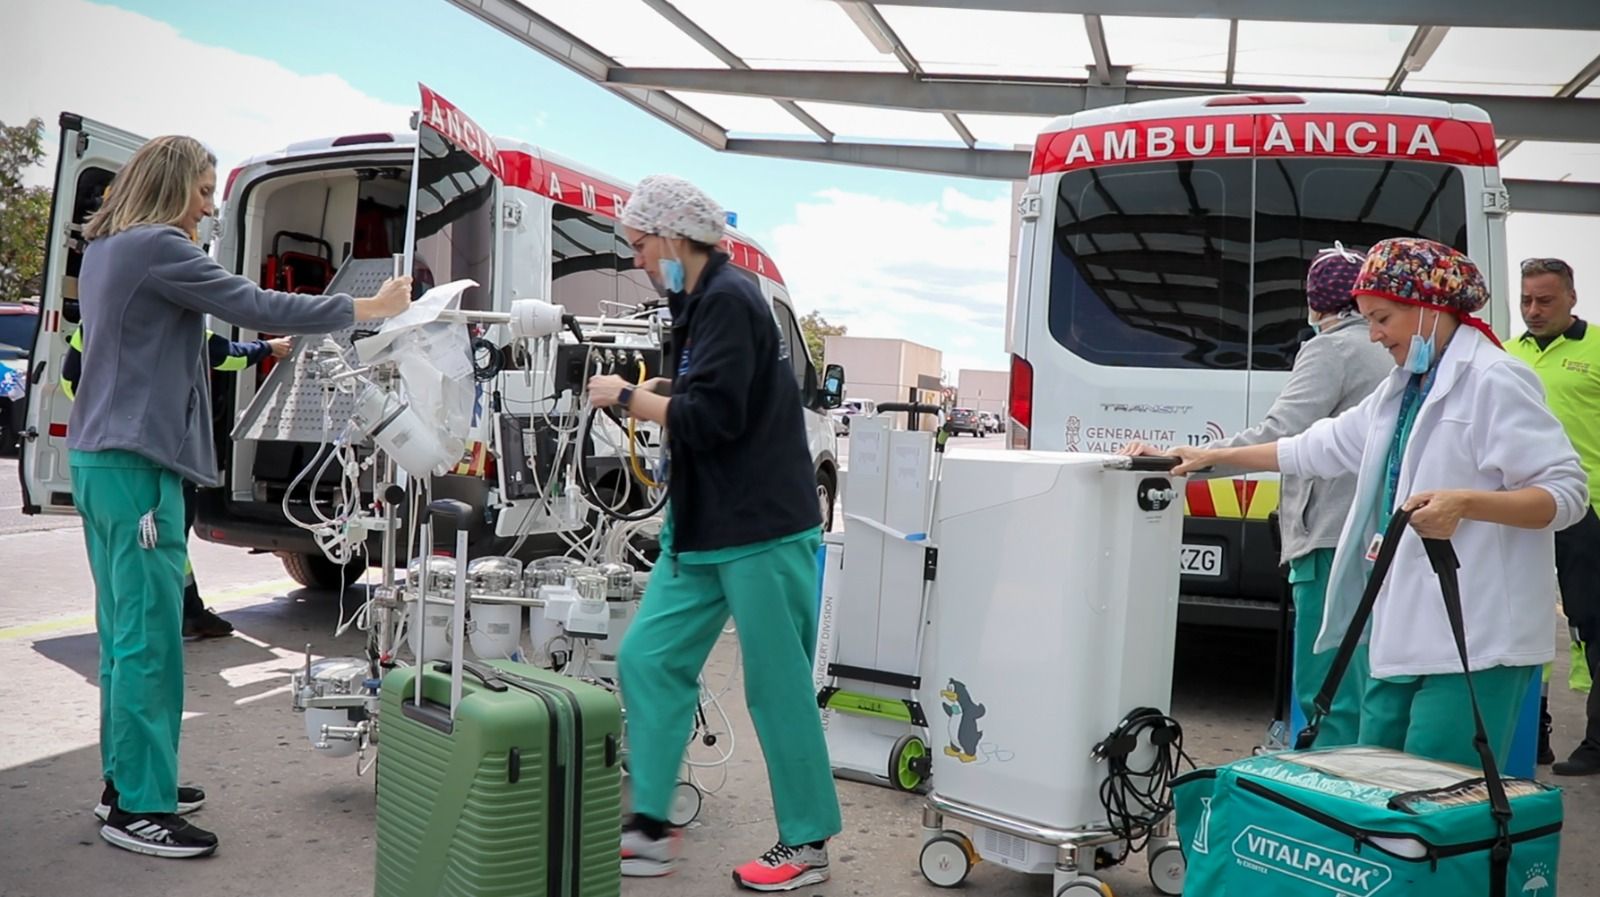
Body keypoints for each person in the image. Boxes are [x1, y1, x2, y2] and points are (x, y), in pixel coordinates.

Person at [71, 135, 410, 858]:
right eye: (200, 190)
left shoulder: (107, 251)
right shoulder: (158, 247)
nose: (204, 205)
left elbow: (181, 340)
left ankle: (128, 776)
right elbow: (253, 300)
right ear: (169, 188)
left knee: (125, 636)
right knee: (149, 641)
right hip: (136, 468)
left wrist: (259, 353)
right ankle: (136, 807)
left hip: (104, 463)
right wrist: (367, 304)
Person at [1126, 237, 1587, 767]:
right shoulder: (1404, 386)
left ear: (1429, 308)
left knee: (1436, 799)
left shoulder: (1496, 379)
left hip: (1476, 635)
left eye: (1382, 318)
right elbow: (1317, 445)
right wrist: (1208, 457)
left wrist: (1466, 504)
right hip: (1403, 624)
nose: (1373, 335)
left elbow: (1565, 494)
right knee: (1377, 784)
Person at [586, 174, 840, 891]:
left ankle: (807, 845)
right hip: (698, 529)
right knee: (647, 658)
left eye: (640, 245)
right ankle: (649, 826)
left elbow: (716, 418)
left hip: (760, 527)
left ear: (673, 237)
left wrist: (630, 397)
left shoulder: (729, 298)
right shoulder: (692, 303)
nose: (637, 258)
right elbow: (708, 394)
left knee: (776, 687)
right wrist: (662, 392)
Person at [1126, 244, 1392, 746]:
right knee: (1361, 679)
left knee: (1325, 690)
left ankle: (1326, 797)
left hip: (1329, 535)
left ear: (1317, 304)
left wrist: (1192, 460)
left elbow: (1281, 433)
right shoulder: (1386, 348)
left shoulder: (1331, 348)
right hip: (1371, 535)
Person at [63, 323, 292, 638]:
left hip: (103, 454)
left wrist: (106, 412)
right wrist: (269, 348)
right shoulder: (169, 314)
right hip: (160, 452)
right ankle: (178, 615)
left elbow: (69, 381)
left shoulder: (92, 322)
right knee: (165, 538)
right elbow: (227, 356)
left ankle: (181, 611)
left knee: (122, 546)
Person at [1507, 257, 1600, 775]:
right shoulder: (1507, 352)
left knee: (1592, 624)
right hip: (1525, 510)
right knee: (1525, 621)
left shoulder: (1598, 349)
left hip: (1589, 511)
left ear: (1571, 297)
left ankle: (1598, 741)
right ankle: (1531, 734)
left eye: (1545, 300)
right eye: (1526, 301)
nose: (1533, 310)